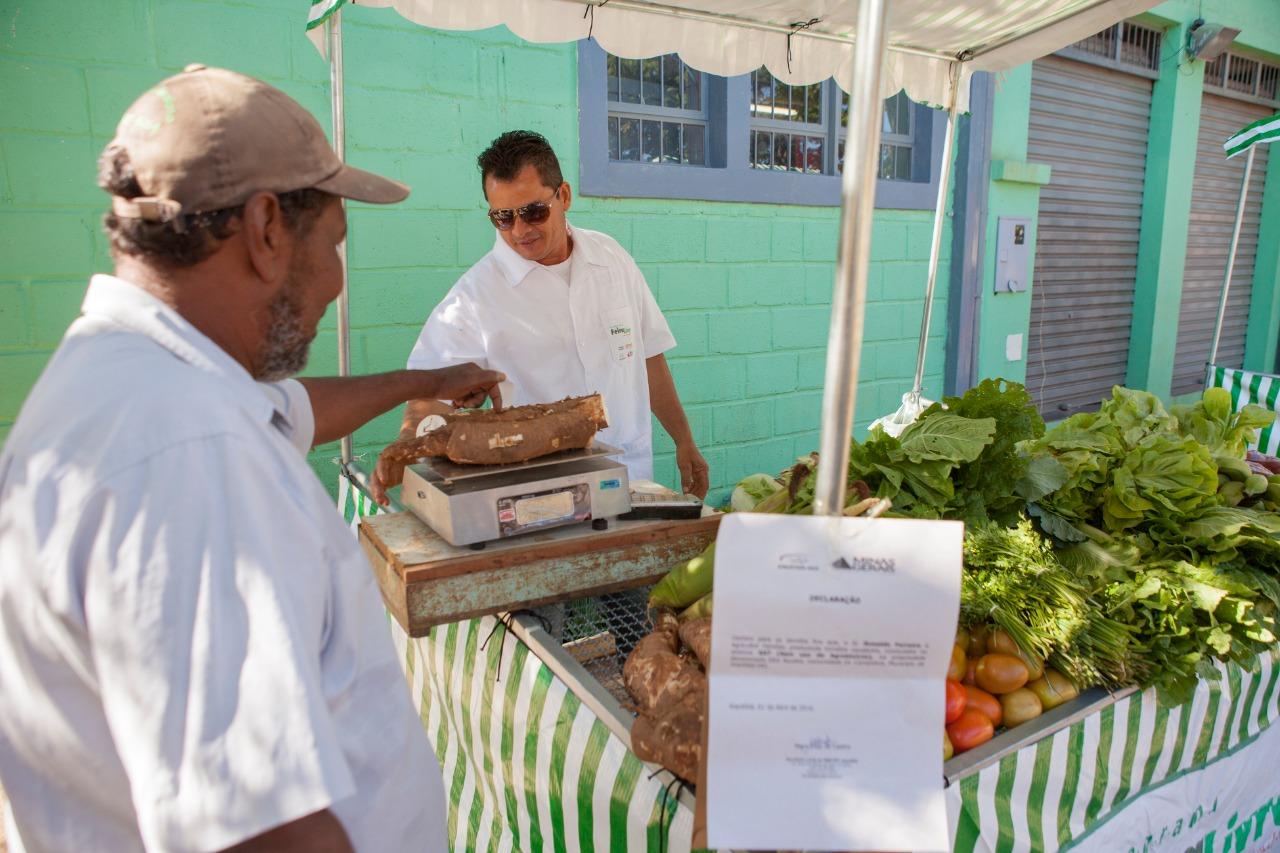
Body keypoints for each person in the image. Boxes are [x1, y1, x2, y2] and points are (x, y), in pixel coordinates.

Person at [0, 65, 503, 852]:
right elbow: (256, 828)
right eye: (334, 244)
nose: (336, 280)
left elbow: (295, 410)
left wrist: (430, 381)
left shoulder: (133, 382)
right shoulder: (191, 458)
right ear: (268, 229)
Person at [372, 130, 709, 504]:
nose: (520, 230)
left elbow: (648, 357)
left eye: (533, 211)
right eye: (503, 217)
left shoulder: (611, 258)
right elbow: (428, 393)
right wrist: (405, 448)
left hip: (633, 481)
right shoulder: (475, 296)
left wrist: (684, 440)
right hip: (545, 500)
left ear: (563, 196)